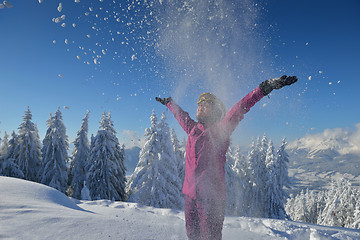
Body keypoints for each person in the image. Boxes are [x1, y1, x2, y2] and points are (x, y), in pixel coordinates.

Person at [155, 75, 298, 240]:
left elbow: (241, 107)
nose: (200, 106)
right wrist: (169, 102)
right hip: (190, 197)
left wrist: (264, 88)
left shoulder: (221, 130)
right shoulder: (193, 129)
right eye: (198, 104)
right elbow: (181, 115)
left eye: (205, 104)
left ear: (215, 110)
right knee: (192, 236)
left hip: (211, 200)